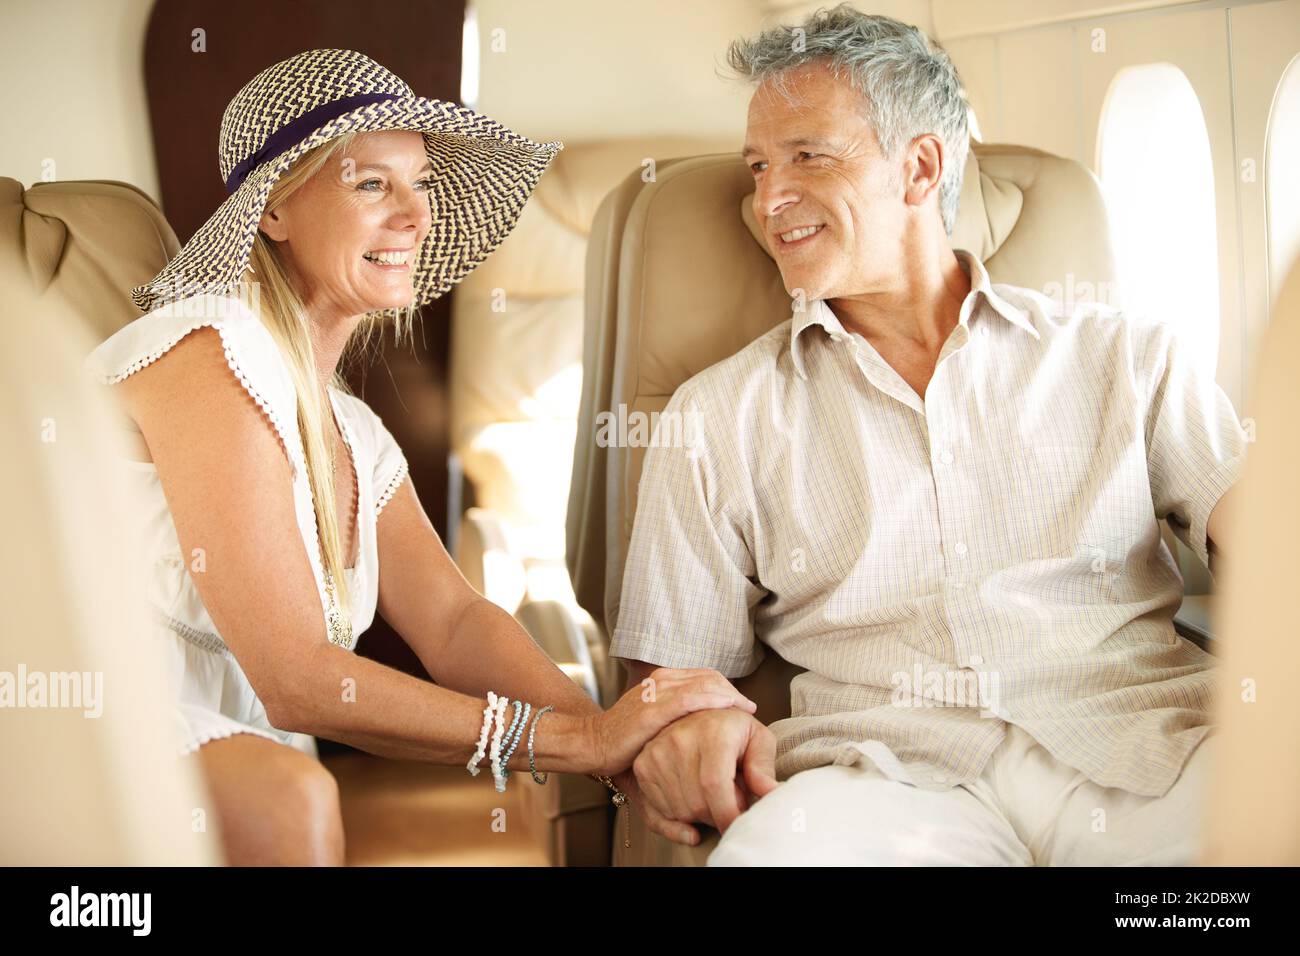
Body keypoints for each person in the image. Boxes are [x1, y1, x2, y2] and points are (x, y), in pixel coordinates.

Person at [86, 48, 754, 866]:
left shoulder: (355, 433)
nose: (414, 215)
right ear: (275, 212)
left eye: (422, 185)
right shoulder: (211, 347)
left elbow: (454, 620)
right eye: (372, 184)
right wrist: (578, 743)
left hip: (239, 748)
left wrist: (616, 737)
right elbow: (294, 677)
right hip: (87, 711)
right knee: (291, 799)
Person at [612, 7, 1246, 865]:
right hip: (879, 784)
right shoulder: (714, 414)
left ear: (920, 167)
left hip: (1144, 754)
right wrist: (689, 728)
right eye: (759, 166)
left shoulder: (1125, 357)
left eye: (808, 155)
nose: (768, 199)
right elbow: (661, 682)